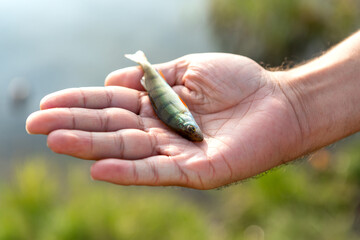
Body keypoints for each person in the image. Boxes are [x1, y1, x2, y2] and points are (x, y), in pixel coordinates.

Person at [26, 30, 360, 189]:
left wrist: (293, 101)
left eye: (190, 130)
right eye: (191, 130)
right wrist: (294, 101)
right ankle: (145, 64)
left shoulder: (184, 120)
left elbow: (178, 117)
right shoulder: (185, 121)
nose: (194, 132)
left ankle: (143, 64)